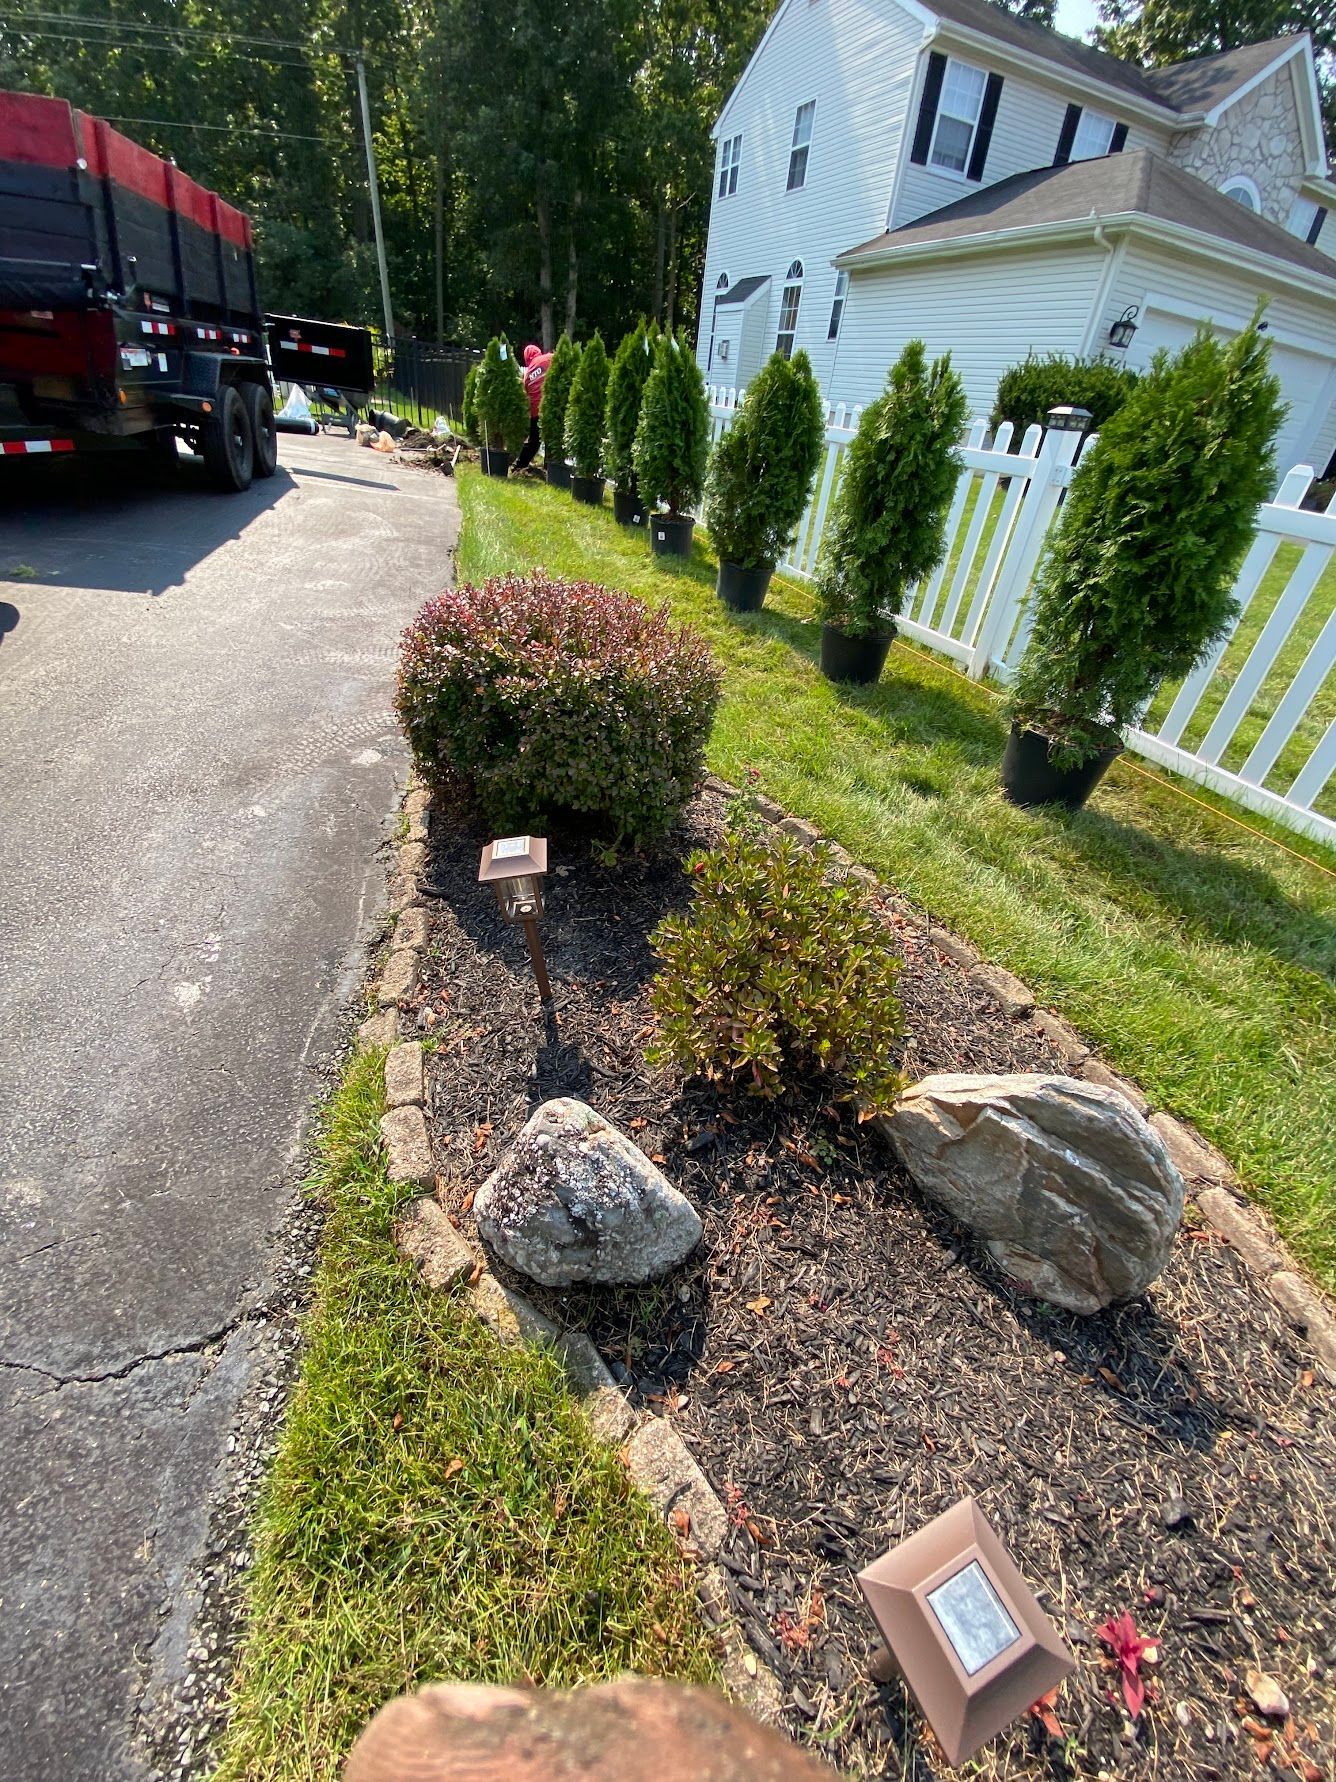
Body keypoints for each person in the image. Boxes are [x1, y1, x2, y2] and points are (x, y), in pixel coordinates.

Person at [514, 341, 552, 472]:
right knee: (554, 440)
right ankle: (551, 467)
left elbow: (527, 394)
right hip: (550, 406)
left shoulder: (527, 374)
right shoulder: (549, 358)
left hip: (535, 412)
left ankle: (519, 466)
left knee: (534, 442)